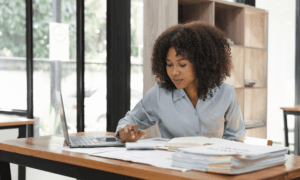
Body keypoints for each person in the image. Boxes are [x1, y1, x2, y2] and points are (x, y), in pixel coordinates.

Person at [115, 21, 246, 143]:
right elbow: (131, 120)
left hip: (213, 165)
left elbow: (235, 139)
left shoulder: (226, 93)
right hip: (172, 164)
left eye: (182, 65)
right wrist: (123, 133)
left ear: (201, 63)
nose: (174, 72)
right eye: (169, 65)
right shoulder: (160, 93)